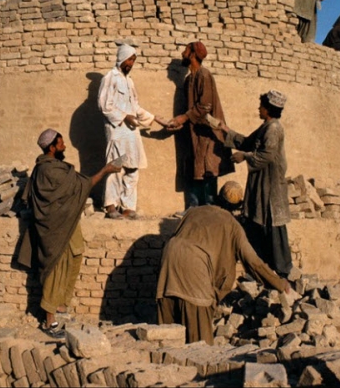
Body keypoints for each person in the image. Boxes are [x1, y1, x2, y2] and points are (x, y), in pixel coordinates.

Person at [156, 181, 291, 345]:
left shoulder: (194, 212)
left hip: (169, 262)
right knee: (200, 345)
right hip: (196, 269)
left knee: (168, 339)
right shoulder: (233, 225)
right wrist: (278, 283)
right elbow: (252, 261)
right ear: (238, 206)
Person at [20, 129, 120, 338]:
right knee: (56, 267)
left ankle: (61, 307)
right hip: (55, 229)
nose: (64, 146)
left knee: (75, 255)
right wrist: (105, 170)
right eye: (61, 144)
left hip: (68, 222)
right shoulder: (49, 170)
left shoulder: (53, 168)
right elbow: (84, 185)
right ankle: (49, 322)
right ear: (52, 147)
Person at [220, 90, 293, 276]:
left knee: (274, 222)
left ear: (268, 109)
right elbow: (247, 142)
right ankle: (264, 267)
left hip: (271, 183)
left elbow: (266, 155)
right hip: (262, 182)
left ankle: (282, 271)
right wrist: (226, 130)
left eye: (261, 106)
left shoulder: (274, 129)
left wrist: (244, 157)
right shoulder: (265, 127)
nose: (258, 109)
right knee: (259, 219)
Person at [98, 43, 169, 219]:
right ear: (121, 58)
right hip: (117, 130)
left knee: (133, 167)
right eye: (129, 59)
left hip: (131, 132)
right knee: (116, 166)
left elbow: (135, 107)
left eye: (133, 60)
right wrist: (124, 117)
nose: (131, 63)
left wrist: (155, 118)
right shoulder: (110, 78)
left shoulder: (129, 81)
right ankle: (111, 206)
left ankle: (128, 207)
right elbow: (104, 105)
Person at [167, 42, 234, 208]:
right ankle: (193, 209)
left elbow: (205, 106)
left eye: (185, 51)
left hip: (207, 132)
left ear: (192, 55)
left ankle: (209, 210)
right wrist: (180, 122)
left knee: (208, 169)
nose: (182, 54)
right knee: (194, 169)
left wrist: (183, 118)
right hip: (194, 133)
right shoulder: (189, 79)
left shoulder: (204, 75)